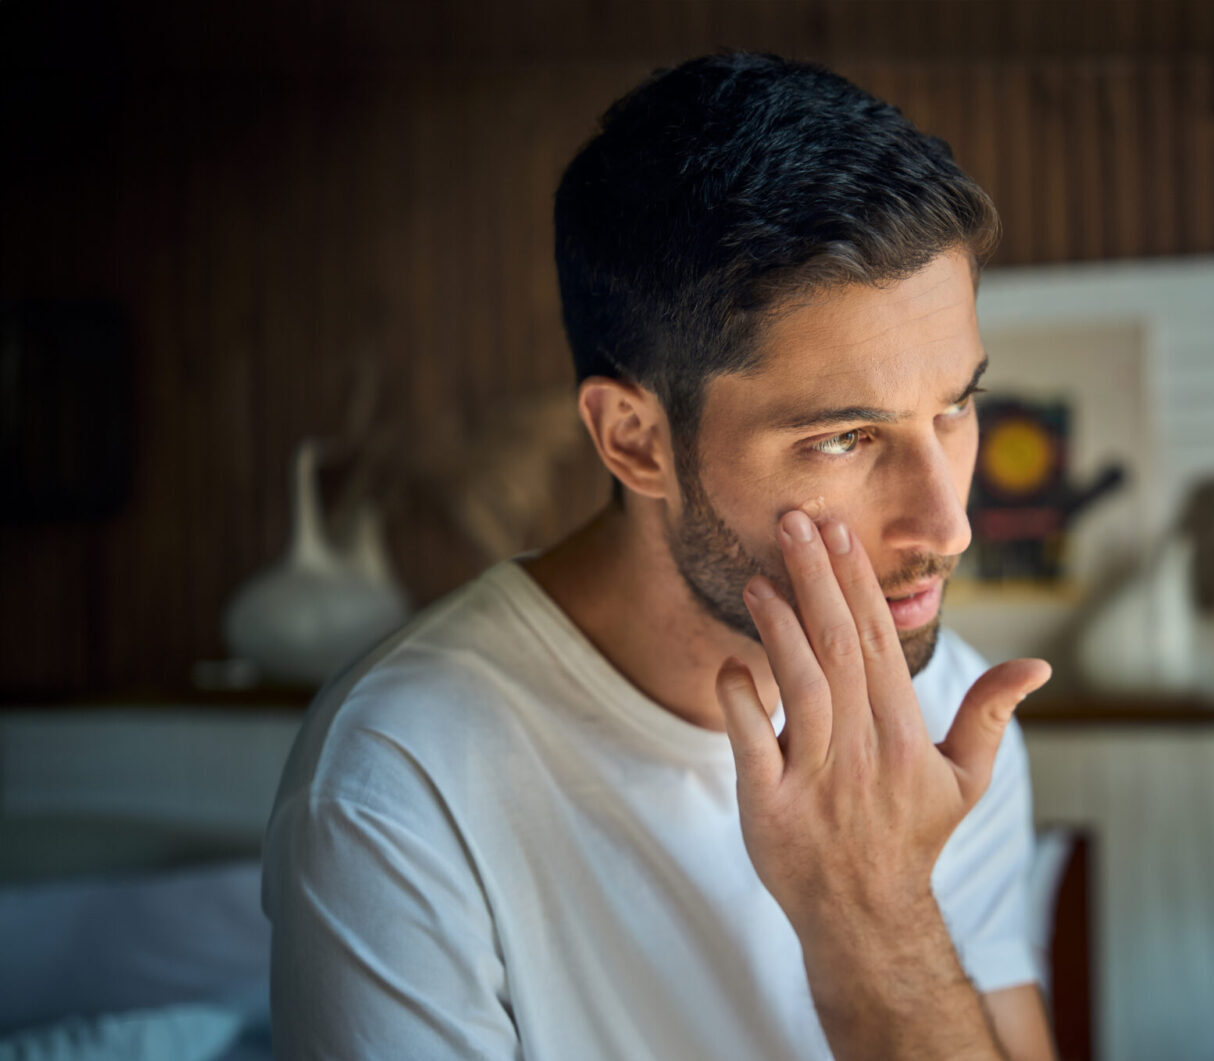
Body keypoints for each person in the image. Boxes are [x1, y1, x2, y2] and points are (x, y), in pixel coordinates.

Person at [263, 52, 1056, 1061]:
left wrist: (878, 913)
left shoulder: (940, 713)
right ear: (634, 438)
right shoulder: (400, 776)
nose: (948, 527)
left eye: (956, 408)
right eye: (843, 438)